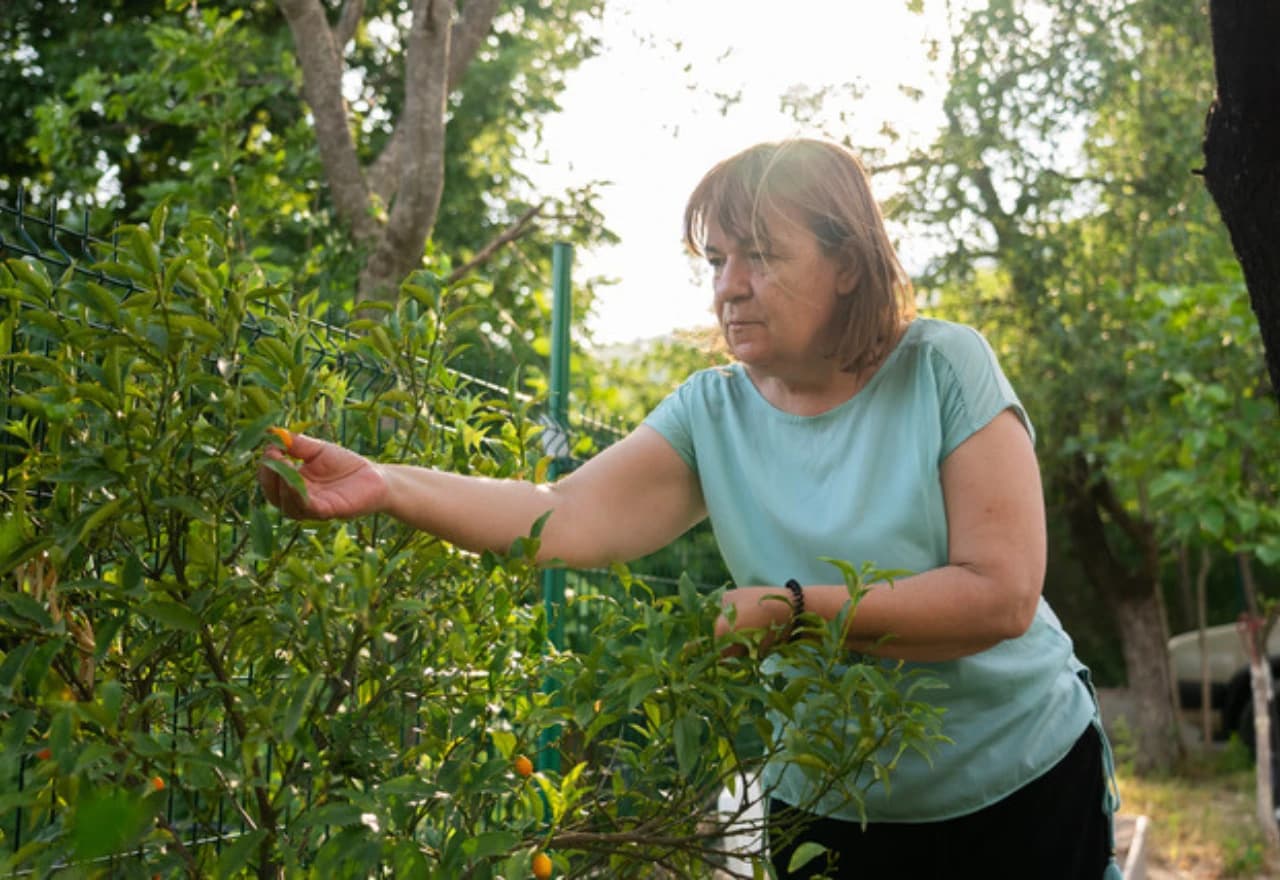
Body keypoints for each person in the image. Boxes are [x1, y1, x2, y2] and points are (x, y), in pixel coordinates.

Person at [259, 139, 1120, 879]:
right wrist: (386, 484)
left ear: (848, 263)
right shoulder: (714, 412)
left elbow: (1000, 596)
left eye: (761, 256)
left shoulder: (944, 368)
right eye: (716, 261)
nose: (730, 288)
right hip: (827, 799)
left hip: (1019, 787)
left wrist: (791, 613)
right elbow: (557, 514)